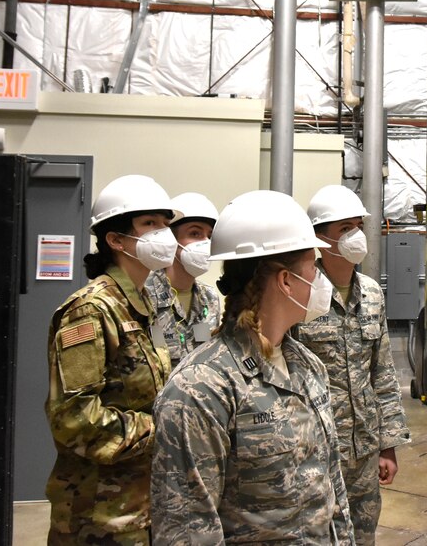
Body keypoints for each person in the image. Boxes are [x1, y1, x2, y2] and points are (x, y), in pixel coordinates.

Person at [150, 189, 355, 544]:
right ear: (286, 281)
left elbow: (332, 490)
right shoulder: (201, 388)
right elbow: (187, 529)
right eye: (313, 268)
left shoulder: (308, 367)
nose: (321, 280)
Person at [44, 174, 177, 545]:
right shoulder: (90, 310)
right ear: (115, 240)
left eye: (165, 224)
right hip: (97, 517)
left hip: (141, 505)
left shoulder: (142, 303)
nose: (163, 234)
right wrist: (162, 430)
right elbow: (74, 419)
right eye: (149, 224)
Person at [296, 184, 411, 546]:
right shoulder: (301, 294)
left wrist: (387, 444)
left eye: (358, 226)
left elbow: (384, 374)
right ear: (320, 238)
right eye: (345, 229)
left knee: (363, 535)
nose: (356, 236)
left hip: (363, 449)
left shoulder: (372, 292)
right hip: (316, 448)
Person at [145, 192, 222, 368]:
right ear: (171, 240)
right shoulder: (145, 295)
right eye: (195, 233)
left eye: (209, 236)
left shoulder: (210, 299)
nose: (205, 243)